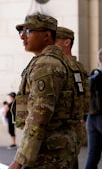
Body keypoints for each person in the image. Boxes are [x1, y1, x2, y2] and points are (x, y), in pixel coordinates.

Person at [9, 13, 85, 169]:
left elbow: (39, 117)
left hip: (49, 154)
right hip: (60, 148)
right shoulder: (57, 62)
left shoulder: (46, 65)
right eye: (21, 32)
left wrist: (19, 161)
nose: (22, 37)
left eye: (28, 31)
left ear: (46, 35)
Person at [55, 26, 90, 167]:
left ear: (66, 42)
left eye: (55, 39)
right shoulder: (77, 67)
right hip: (72, 132)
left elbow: (84, 100)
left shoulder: (65, 66)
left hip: (63, 132)